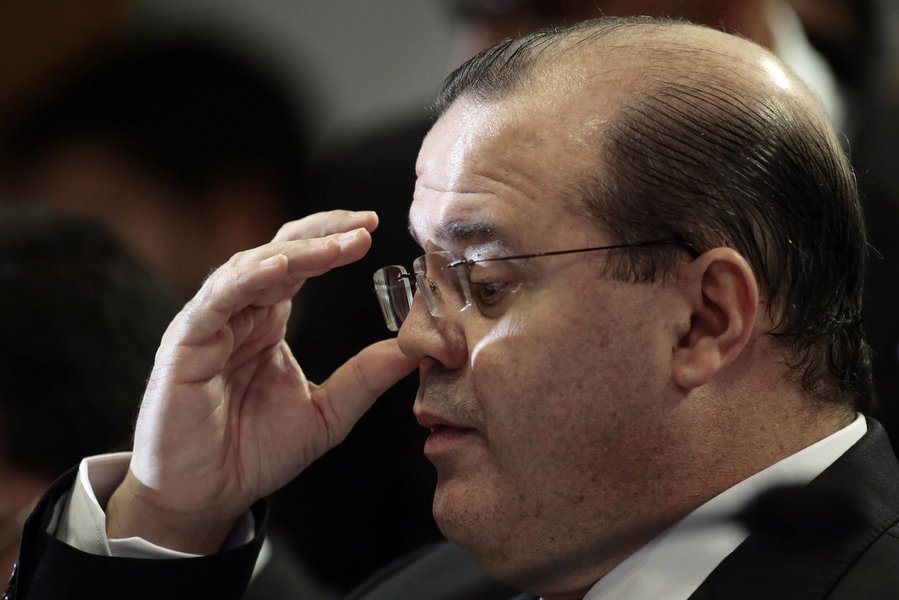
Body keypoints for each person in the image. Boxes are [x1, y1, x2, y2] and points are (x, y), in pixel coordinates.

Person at [8, 16, 899, 600]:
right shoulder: (422, 591)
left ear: (705, 318)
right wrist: (170, 514)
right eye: (424, 282)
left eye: (482, 283)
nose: (418, 336)